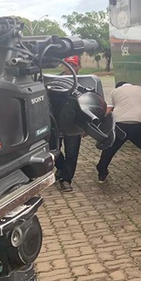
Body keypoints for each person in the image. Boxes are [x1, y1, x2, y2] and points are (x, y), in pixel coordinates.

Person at [96, 81, 141, 185]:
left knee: (109, 149)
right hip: (138, 123)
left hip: (120, 125)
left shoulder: (115, 91)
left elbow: (109, 110)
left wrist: (100, 123)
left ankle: (102, 173)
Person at [54, 55, 83, 192]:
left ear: (79, 66)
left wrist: (86, 127)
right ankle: (60, 167)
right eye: (66, 64)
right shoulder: (54, 82)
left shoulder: (84, 83)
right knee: (54, 151)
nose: (69, 67)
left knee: (72, 153)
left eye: (73, 64)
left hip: (74, 125)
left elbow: (88, 106)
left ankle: (66, 180)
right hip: (55, 123)